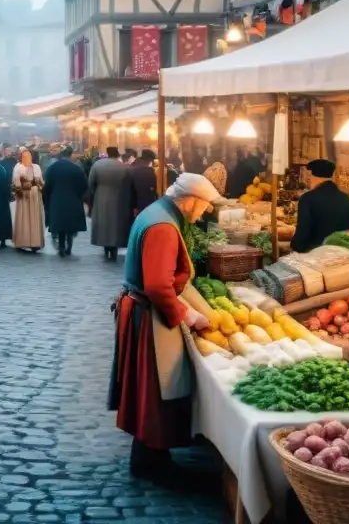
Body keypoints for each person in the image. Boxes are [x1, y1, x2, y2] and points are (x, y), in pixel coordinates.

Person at [108, 173, 220, 480]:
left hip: (143, 309)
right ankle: (152, 461)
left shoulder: (158, 212)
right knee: (157, 387)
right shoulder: (163, 226)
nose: (203, 213)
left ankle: (148, 456)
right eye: (203, 206)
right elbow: (158, 286)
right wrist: (187, 315)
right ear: (189, 200)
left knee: (150, 388)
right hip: (150, 315)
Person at [291, 159, 349, 253]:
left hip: (315, 256)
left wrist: (294, 246)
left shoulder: (307, 199)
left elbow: (302, 233)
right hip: (343, 256)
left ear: (313, 176)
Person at [88, 147, 133, 261]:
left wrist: (92, 196)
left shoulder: (98, 165)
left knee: (103, 223)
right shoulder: (123, 167)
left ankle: (105, 246)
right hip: (119, 198)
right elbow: (128, 184)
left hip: (101, 196)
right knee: (115, 224)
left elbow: (91, 183)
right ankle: (114, 248)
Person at [43, 146, 88, 257]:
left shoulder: (52, 168)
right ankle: (69, 246)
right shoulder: (76, 169)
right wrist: (79, 196)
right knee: (70, 225)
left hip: (57, 200)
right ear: (70, 155)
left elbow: (47, 186)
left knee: (60, 225)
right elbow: (84, 185)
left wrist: (47, 201)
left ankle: (62, 246)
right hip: (73, 200)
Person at [12, 148, 46, 252]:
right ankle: (35, 243)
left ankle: (22, 241)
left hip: (24, 194)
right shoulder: (37, 167)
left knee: (23, 217)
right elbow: (41, 183)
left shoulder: (18, 168)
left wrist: (18, 190)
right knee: (34, 217)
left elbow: (16, 184)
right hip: (35, 193)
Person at [129, 149, 158, 217]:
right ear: (150, 160)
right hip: (144, 204)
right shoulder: (148, 171)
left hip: (131, 203)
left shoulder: (132, 166)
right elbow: (153, 188)